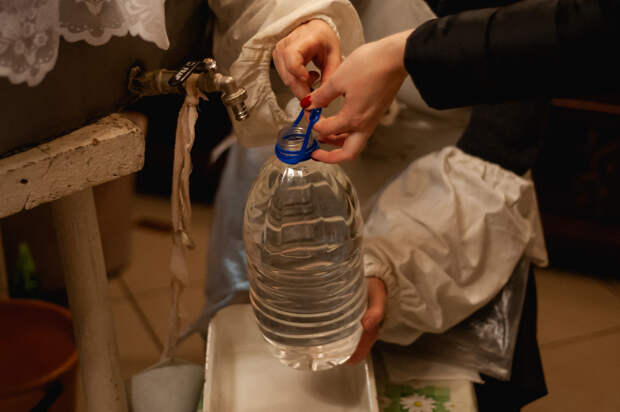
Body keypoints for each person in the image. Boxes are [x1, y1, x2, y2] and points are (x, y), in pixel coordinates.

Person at [192, 1, 553, 410]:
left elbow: (502, 148)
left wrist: (390, 270)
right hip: (285, 191)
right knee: (258, 376)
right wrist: (293, 20)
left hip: (455, 218)